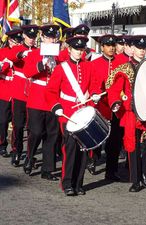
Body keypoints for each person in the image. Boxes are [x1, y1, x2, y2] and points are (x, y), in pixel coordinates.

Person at [45, 36, 100, 196]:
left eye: (81, 49)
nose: (79, 52)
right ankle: (67, 183)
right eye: (76, 49)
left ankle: (78, 183)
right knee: (70, 148)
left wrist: (95, 94)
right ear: (69, 49)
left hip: (83, 112)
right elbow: (51, 91)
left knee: (83, 149)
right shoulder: (61, 68)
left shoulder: (88, 67)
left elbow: (94, 84)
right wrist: (56, 107)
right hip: (67, 113)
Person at [106, 35, 146, 192]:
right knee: (133, 146)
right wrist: (116, 102)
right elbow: (114, 89)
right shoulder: (124, 68)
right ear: (132, 49)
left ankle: (144, 175)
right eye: (139, 48)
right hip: (131, 113)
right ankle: (136, 180)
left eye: (144, 48)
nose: (142, 51)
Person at [22, 24, 60, 180]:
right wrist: (42, 63)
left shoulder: (59, 56)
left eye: (54, 37)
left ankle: (47, 169)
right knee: (36, 132)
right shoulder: (34, 54)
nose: (51, 40)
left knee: (52, 134)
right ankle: (30, 157)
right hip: (37, 98)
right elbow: (27, 72)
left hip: (53, 99)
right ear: (43, 38)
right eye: (48, 37)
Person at [88, 34, 124, 180]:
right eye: (108, 45)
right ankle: (92, 159)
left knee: (115, 141)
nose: (111, 48)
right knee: (97, 136)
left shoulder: (121, 64)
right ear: (102, 47)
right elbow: (92, 82)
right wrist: (95, 92)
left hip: (115, 107)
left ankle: (112, 171)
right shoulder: (94, 64)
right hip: (101, 105)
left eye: (113, 45)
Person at [5, 24, 39, 165]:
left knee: (33, 127)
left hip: (34, 92)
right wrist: (20, 54)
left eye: (34, 37)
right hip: (19, 91)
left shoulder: (38, 50)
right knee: (18, 125)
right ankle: (16, 150)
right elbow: (11, 56)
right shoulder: (18, 48)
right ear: (24, 36)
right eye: (29, 36)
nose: (31, 39)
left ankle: (30, 155)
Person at [0, 28, 23, 158]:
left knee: (17, 122)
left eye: (19, 41)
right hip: (5, 89)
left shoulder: (22, 52)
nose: (17, 43)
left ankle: (15, 148)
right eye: (15, 41)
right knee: (3, 120)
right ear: (9, 41)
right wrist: (7, 63)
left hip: (18, 90)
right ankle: (2, 145)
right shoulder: (2, 52)